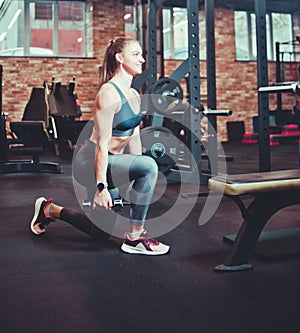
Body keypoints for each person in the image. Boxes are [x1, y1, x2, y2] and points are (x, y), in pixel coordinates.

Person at [30, 37, 170, 256]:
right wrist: (101, 187)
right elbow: (102, 145)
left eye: (141, 55)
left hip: (112, 162)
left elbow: (134, 140)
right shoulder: (108, 93)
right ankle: (135, 237)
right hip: (91, 161)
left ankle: (49, 210)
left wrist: (133, 179)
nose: (142, 59)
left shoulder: (134, 94)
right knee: (149, 165)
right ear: (119, 58)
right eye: (135, 54)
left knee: (100, 230)